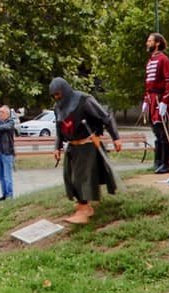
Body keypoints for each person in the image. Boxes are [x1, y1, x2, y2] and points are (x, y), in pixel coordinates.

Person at [50, 77, 122, 225]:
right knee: (69, 177)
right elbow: (59, 129)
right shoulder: (58, 107)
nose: (57, 97)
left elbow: (105, 117)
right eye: (54, 95)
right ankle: (84, 206)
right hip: (73, 146)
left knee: (81, 178)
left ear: (64, 90)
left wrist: (116, 137)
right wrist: (57, 147)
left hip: (88, 144)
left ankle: (84, 210)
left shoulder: (84, 100)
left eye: (58, 94)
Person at [143, 33, 169, 174]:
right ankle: (157, 161)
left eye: (150, 41)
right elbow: (148, 83)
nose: (147, 43)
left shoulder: (163, 59)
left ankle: (165, 163)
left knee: (163, 132)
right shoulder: (151, 60)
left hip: (159, 98)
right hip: (152, 99)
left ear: (157, 43)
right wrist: (146, 100)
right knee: (156, 131)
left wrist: (165, 101)